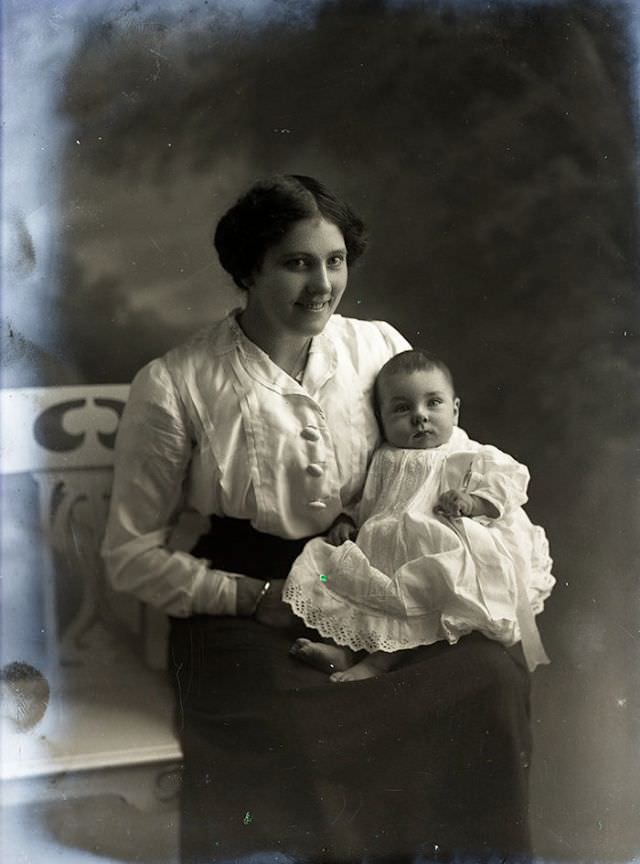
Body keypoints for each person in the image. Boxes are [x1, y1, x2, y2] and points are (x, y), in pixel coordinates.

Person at [102, 175, 537, 863]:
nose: (322, 285)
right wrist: (257, 598)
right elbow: (129, 555)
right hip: (246, 604)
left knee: (489, 676)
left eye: (334, 262)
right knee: (297, 716)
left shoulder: (376, 347)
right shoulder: (178, 382)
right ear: (248, 268)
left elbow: (443, 458)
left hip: (378, 582)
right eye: (296, 262)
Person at [284, 350, 554, 683]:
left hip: (443, 548)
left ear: (455, 410)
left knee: (410, 596)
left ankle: (376, 665)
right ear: (381, 420)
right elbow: (367, 499)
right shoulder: (384, 457)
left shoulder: (466, 450)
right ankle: (342, 648)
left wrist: (474, 501)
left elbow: (510, 479)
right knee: (337, 576)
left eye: (433, 403)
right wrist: (348, 520)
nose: (419, 417)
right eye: (402, 408)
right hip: (382, 547)